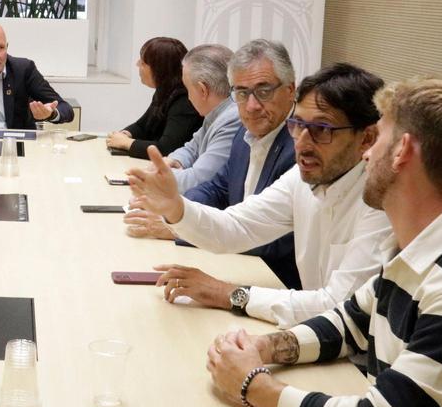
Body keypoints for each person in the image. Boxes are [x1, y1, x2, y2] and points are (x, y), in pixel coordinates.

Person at [202, 78, 442, 407]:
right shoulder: (421, 246)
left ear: (402, 151)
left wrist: (251, 385)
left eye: (378, 139)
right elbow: (348, 323)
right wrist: (265, 347)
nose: (366, 154)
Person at [128, 62, 395, 328]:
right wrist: (176, 208)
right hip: (314, 334)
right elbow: (237, 226)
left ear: (367, 139)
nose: (301, 142)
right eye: (298, 125)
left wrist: (227, 293)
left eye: (321, 129)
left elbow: (339, 307)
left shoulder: (382, 199)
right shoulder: (303, 177)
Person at [125, 39, 299, 288]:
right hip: (238, 266)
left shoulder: (300, 149)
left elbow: (277, 239)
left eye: (263, 91)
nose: (252, 105)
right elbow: (216, 188)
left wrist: (178, 227)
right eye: (241, 92)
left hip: (276, 283)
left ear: (290, 90)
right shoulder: (245, 134)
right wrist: (174, 207)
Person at [159, 43, 241, 193]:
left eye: (188, 89)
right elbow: (191, 148)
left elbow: (198, 181)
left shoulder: (233, 119)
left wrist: (159, 176)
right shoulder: (217, 112)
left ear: (203, 90)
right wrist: (175, 161)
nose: (188, 97)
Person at [106, 37, 201, 158]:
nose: (137, 64)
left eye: (143, 63)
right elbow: (142, 126)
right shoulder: (165, 90)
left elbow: (166, 148)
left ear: (160, 70)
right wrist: (125, 134)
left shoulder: (184, 100)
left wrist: (127, 143)